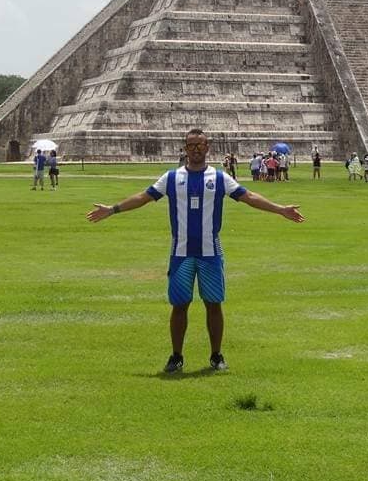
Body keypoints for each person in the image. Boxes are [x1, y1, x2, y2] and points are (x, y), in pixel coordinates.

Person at [86, 128, 304, 374]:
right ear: (185, 148)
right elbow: (143, 197)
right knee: (180, 305)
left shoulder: (220, 178)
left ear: (207, 146)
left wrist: (280, 209)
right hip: (181, 253)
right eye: (191, 145)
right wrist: (112, 209)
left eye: (200, 144)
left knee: (214, 303)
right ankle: (176, 356)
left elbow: (249, 196)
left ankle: (216, 355)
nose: (196, 149)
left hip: (210, 252)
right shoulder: (171, 177)